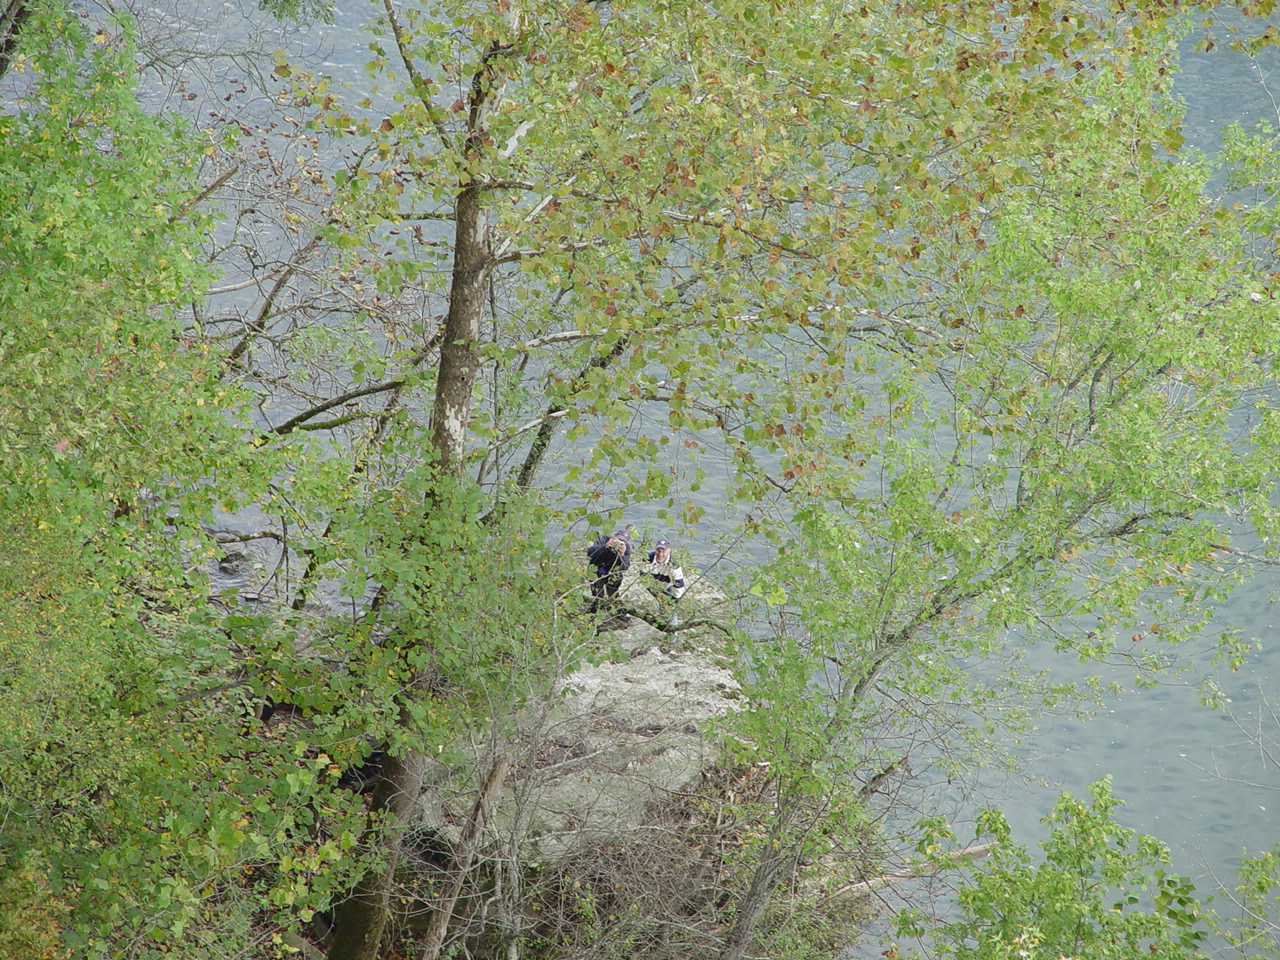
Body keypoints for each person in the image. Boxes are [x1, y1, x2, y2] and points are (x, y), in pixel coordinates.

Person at [642, 537, 686, 628]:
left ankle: (671, 632)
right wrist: (654, 592)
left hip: (669, 586)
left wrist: (673, 601)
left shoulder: (674, 565)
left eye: (664, 551)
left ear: (669, 551)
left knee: (670, 609)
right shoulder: (647, 559)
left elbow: (680, 586)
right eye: (658, 550)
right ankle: (663, 622)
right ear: (655, 550)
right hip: (655, 584)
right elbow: (643, 578)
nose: (660, 554)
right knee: (661, 605)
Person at [585, 528, 632, 612]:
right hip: (597, 569)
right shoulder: (603, 539)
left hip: (613, 572)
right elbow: (590, 552)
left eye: (622, 541)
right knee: (597, 594)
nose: (618, 543)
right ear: (614, 536)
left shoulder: (626, 548)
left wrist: (622, 554)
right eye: (618, 539)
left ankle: (616, 609)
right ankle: (596, 610)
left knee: (613, 592)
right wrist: (605, 547)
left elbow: (625, 568)